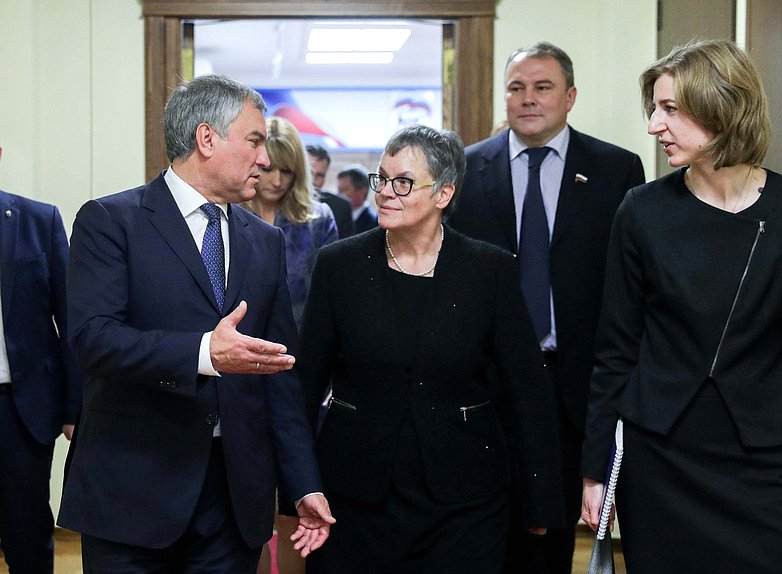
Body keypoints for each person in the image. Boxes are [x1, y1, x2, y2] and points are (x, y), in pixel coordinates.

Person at [58, 74, 334, 573]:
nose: (266, 159)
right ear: (207, 139)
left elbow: (281, 377)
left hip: (234, 500)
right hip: (133, 493)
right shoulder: (111, 221)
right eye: (254, 140)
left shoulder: (263, 243)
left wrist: (303, 484)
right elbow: (92, 339)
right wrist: (205, 354)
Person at [298, 124, 564, 573]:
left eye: (403, 182)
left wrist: (540, 504)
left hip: (465, 497)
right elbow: (305, 385)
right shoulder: (339, 265)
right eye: (382, 178)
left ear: (443, 195)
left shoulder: (489, 270)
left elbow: (527, 393)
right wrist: (299, 485)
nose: (385, 192)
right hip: (355, 495)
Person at [581, 39, 780, 573]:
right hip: (661, 459)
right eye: (654, 109)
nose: (653, 126)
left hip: (764, 460)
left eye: (670, 109)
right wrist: (596, 471)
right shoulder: (641, 211)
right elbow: (615, 348)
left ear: (723, 106)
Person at [448, 41, 645, 574]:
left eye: (542, 87)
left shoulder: (616, 169)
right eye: (516, 88)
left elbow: (629, 286)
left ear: (570, 96)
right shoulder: (466, 169)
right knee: (485, 530)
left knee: (552, 541)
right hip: (487, 384)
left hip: (574, 385)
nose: (527, 99)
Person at [0, 145, 81, 574]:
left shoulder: (37, 220)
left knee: (27, 533)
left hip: (21, 406)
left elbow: (70, 320)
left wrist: (73, 406)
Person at [245, 118, 338, 330]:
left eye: (286, 171)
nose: (277, 181)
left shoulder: (319, 219)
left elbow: (332, 293)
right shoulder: (228, 215)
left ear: (297, 172)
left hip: (302, 342)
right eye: (268, 169)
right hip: (240, 344)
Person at [306, 144, 354, 239]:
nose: (313, 180)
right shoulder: (280, 201)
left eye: (319, 175)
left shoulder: (341, 207)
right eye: (309, 173)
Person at [337, 164, 377, 233]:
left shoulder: (374, 224)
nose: (339, 195)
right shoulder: (338, 218)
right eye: (339, 190)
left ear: (361, 192)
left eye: (344, 189)